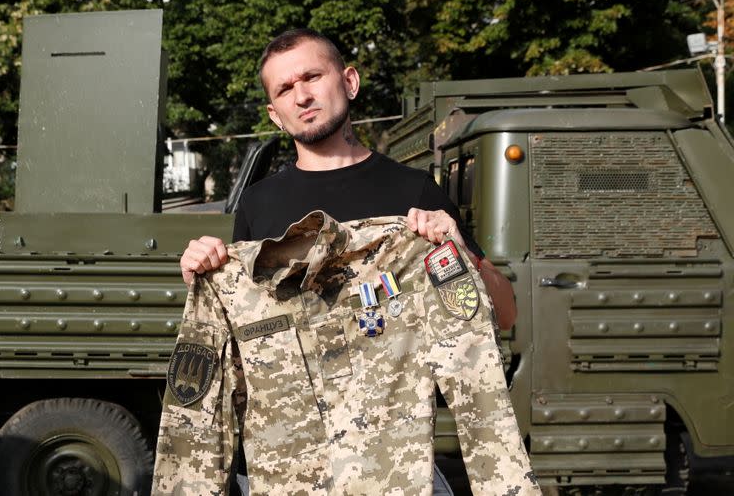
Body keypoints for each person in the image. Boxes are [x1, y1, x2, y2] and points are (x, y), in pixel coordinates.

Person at [179, 28, 518, 495]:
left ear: (350, 82)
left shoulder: (414, 193)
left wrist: (458, 252)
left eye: (312, 76)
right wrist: (204, 276)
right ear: (274, 115)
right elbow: (237, 345)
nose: (301, 95)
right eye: (284, 89)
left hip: (393, 469)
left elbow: (504, 313)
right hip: (286, 470)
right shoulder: (257, 205)